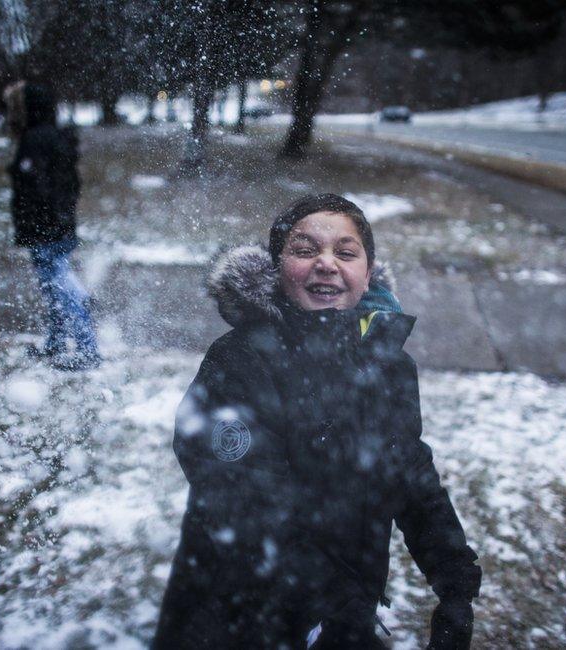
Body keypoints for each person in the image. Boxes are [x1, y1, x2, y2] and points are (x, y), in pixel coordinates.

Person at [154, 194, 481, 649]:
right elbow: (243, 501)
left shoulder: (388, 363)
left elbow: (409, 470)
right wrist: (331, 602)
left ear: (367, 275)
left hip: (344, 605)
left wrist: (455, 581)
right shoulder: (239, 360)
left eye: (346, 253)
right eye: (305, 250)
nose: (326, 264)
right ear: (277, 269)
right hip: (240, 613)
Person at [4, 81, 100, 371]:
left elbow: (40, 187)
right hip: (56, 225)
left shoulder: (36, 139)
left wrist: (45, 219)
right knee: (53, 287)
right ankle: (58, 340)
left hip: (45, 228)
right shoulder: (53, 136)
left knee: (60, 286)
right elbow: (66, 185)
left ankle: (87, 349)